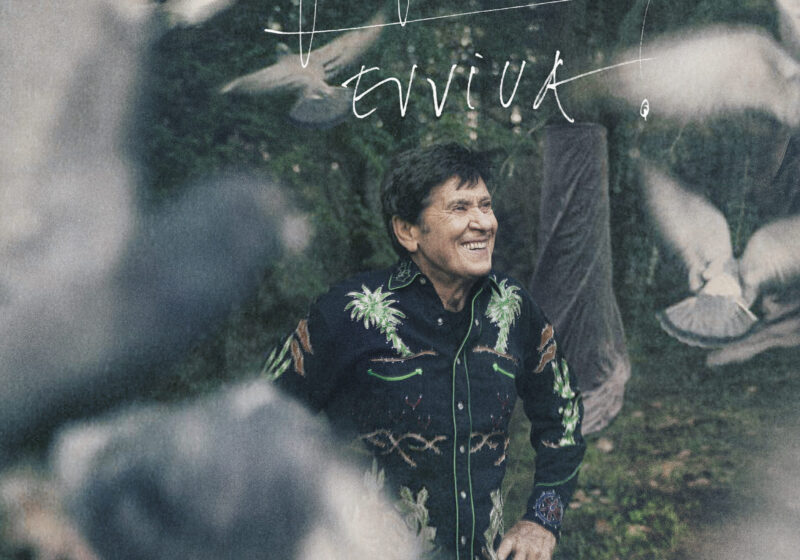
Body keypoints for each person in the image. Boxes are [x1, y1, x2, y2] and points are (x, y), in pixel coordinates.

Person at [264, 143, 585, 560]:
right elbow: (261, 424)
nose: (482, 223)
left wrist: (543, 519)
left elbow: (563, 412)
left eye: (485, 206)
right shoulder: (350, 311)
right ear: (407, 231)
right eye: (459, 208)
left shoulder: (513, 307)